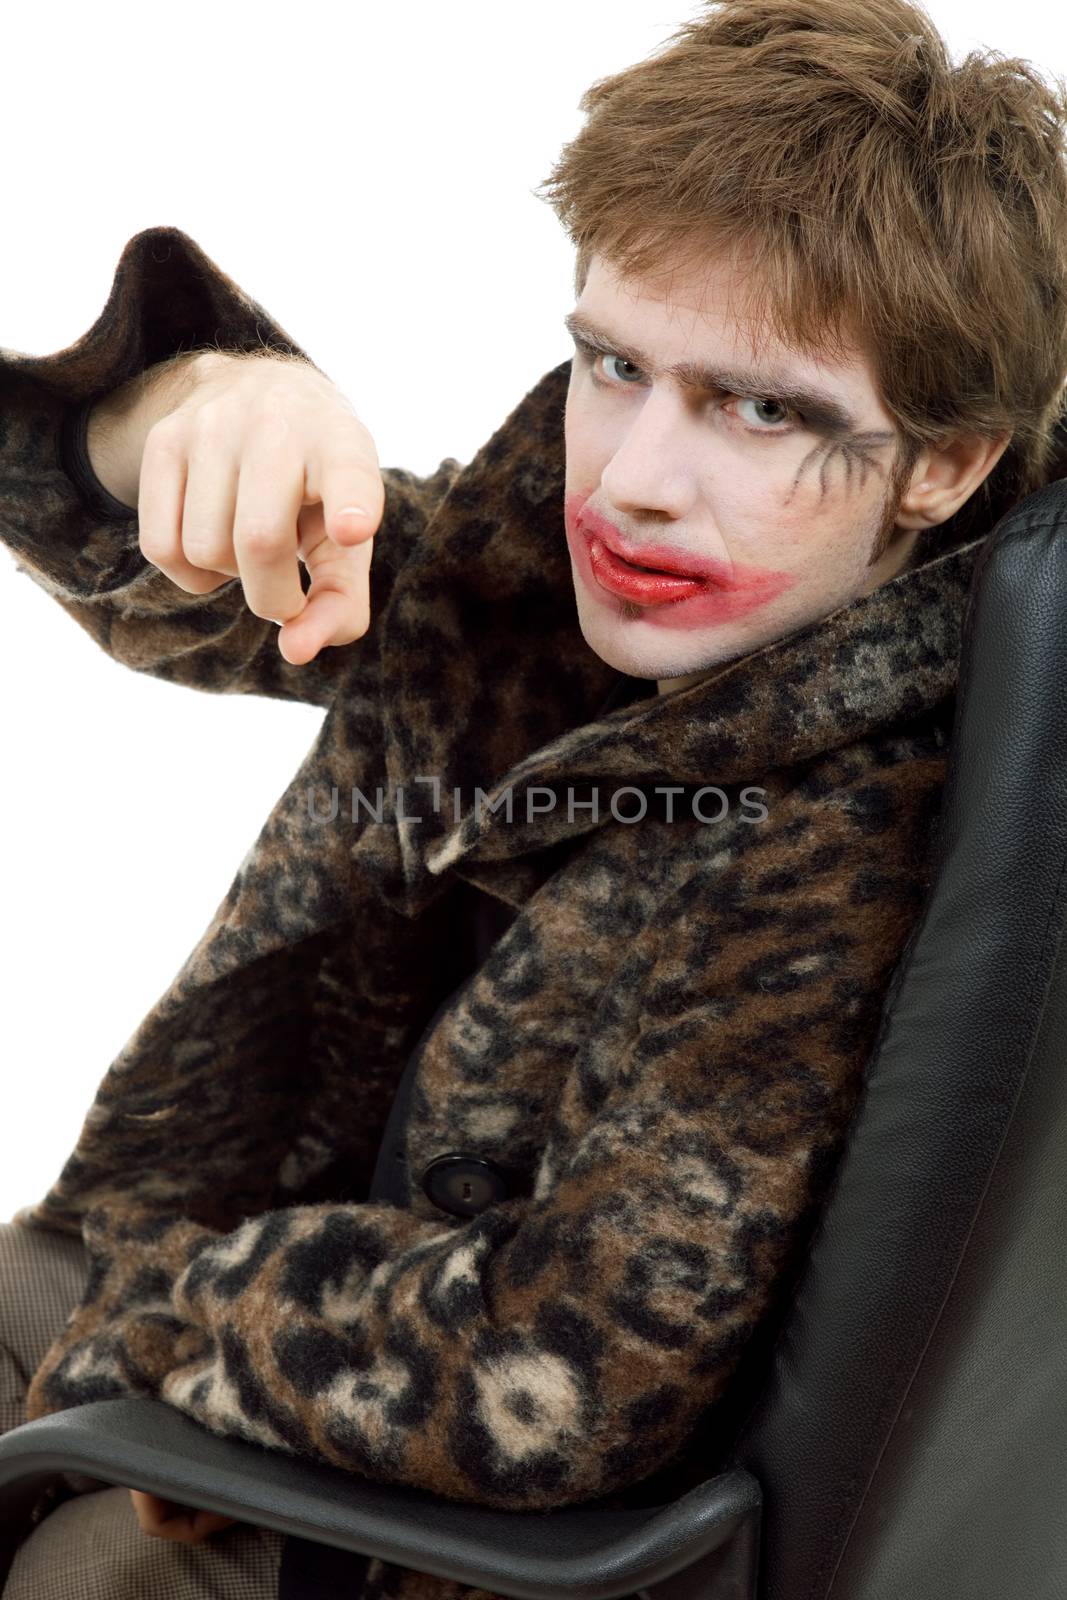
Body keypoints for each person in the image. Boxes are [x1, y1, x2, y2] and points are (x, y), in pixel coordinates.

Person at [2, 1, 1066, 1596]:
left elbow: (565, 1379)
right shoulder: (611, 593)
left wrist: (165, 1321)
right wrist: (198, 406)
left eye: (757, 408)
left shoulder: (841, 848)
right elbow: (193, 576)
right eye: (613, 363)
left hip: (406, 1499)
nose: (634, 474)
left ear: (944, 465)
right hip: (246, 1243)